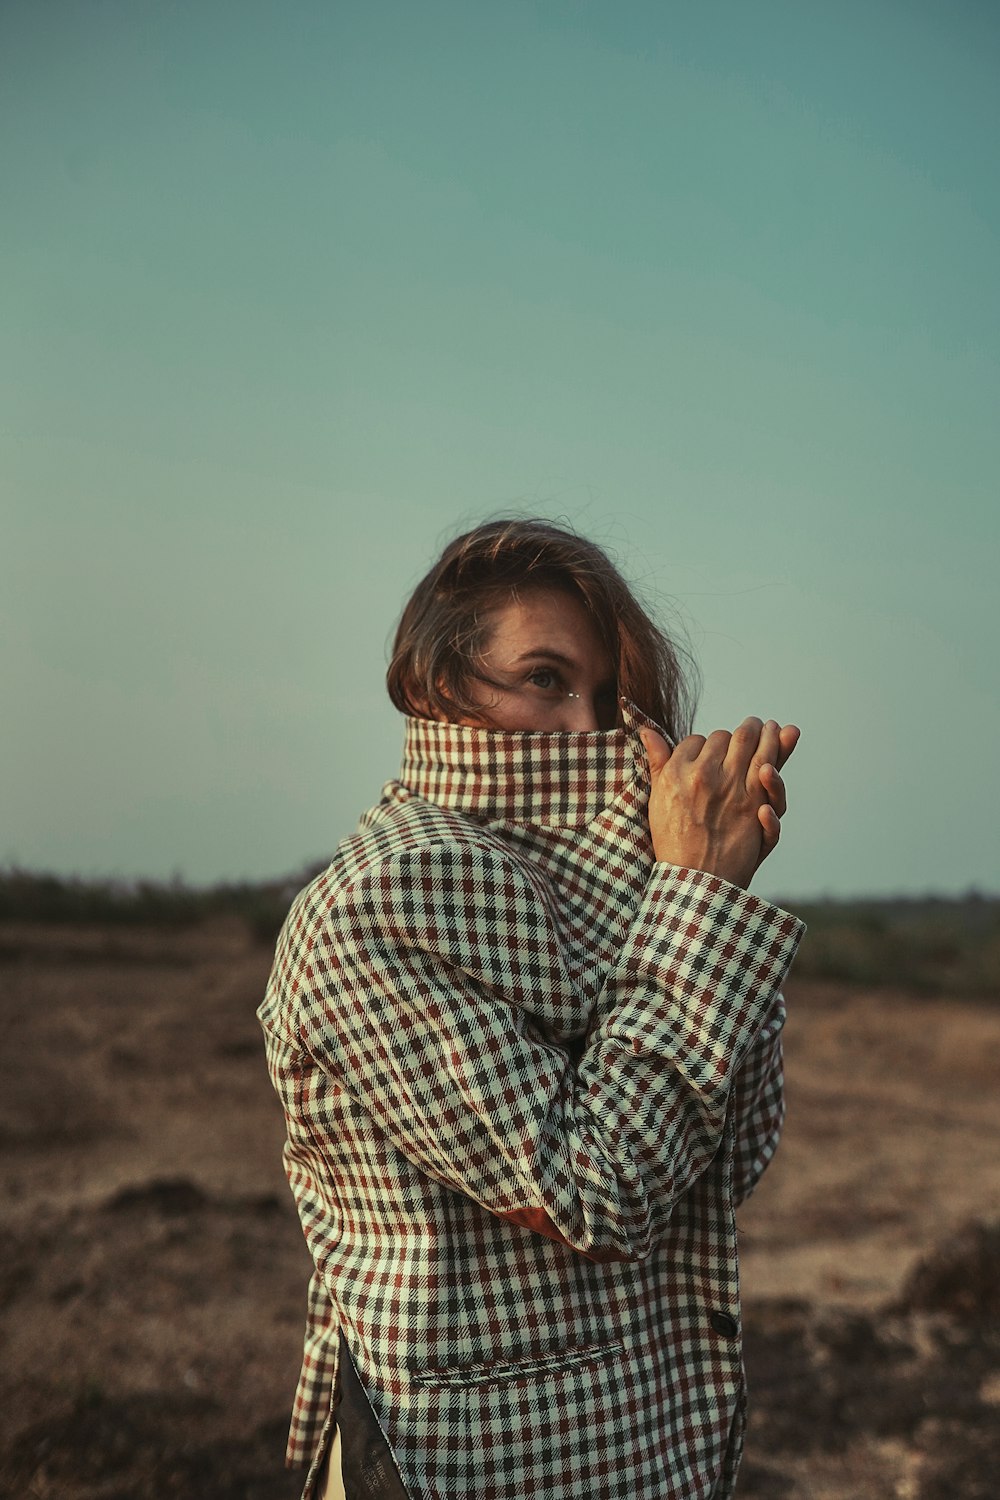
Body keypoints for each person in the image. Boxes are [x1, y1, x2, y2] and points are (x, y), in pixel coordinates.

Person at [258, 518, 804, 1500]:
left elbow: (736, 1157)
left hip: (651, 1445)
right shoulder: (376, 910)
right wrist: (696, 905)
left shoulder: (619, 891)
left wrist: (704, 887)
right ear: (435, 686)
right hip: (460, 1464)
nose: (580, 729)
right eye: (545, 678)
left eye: (608, 699)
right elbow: (594, 1189)